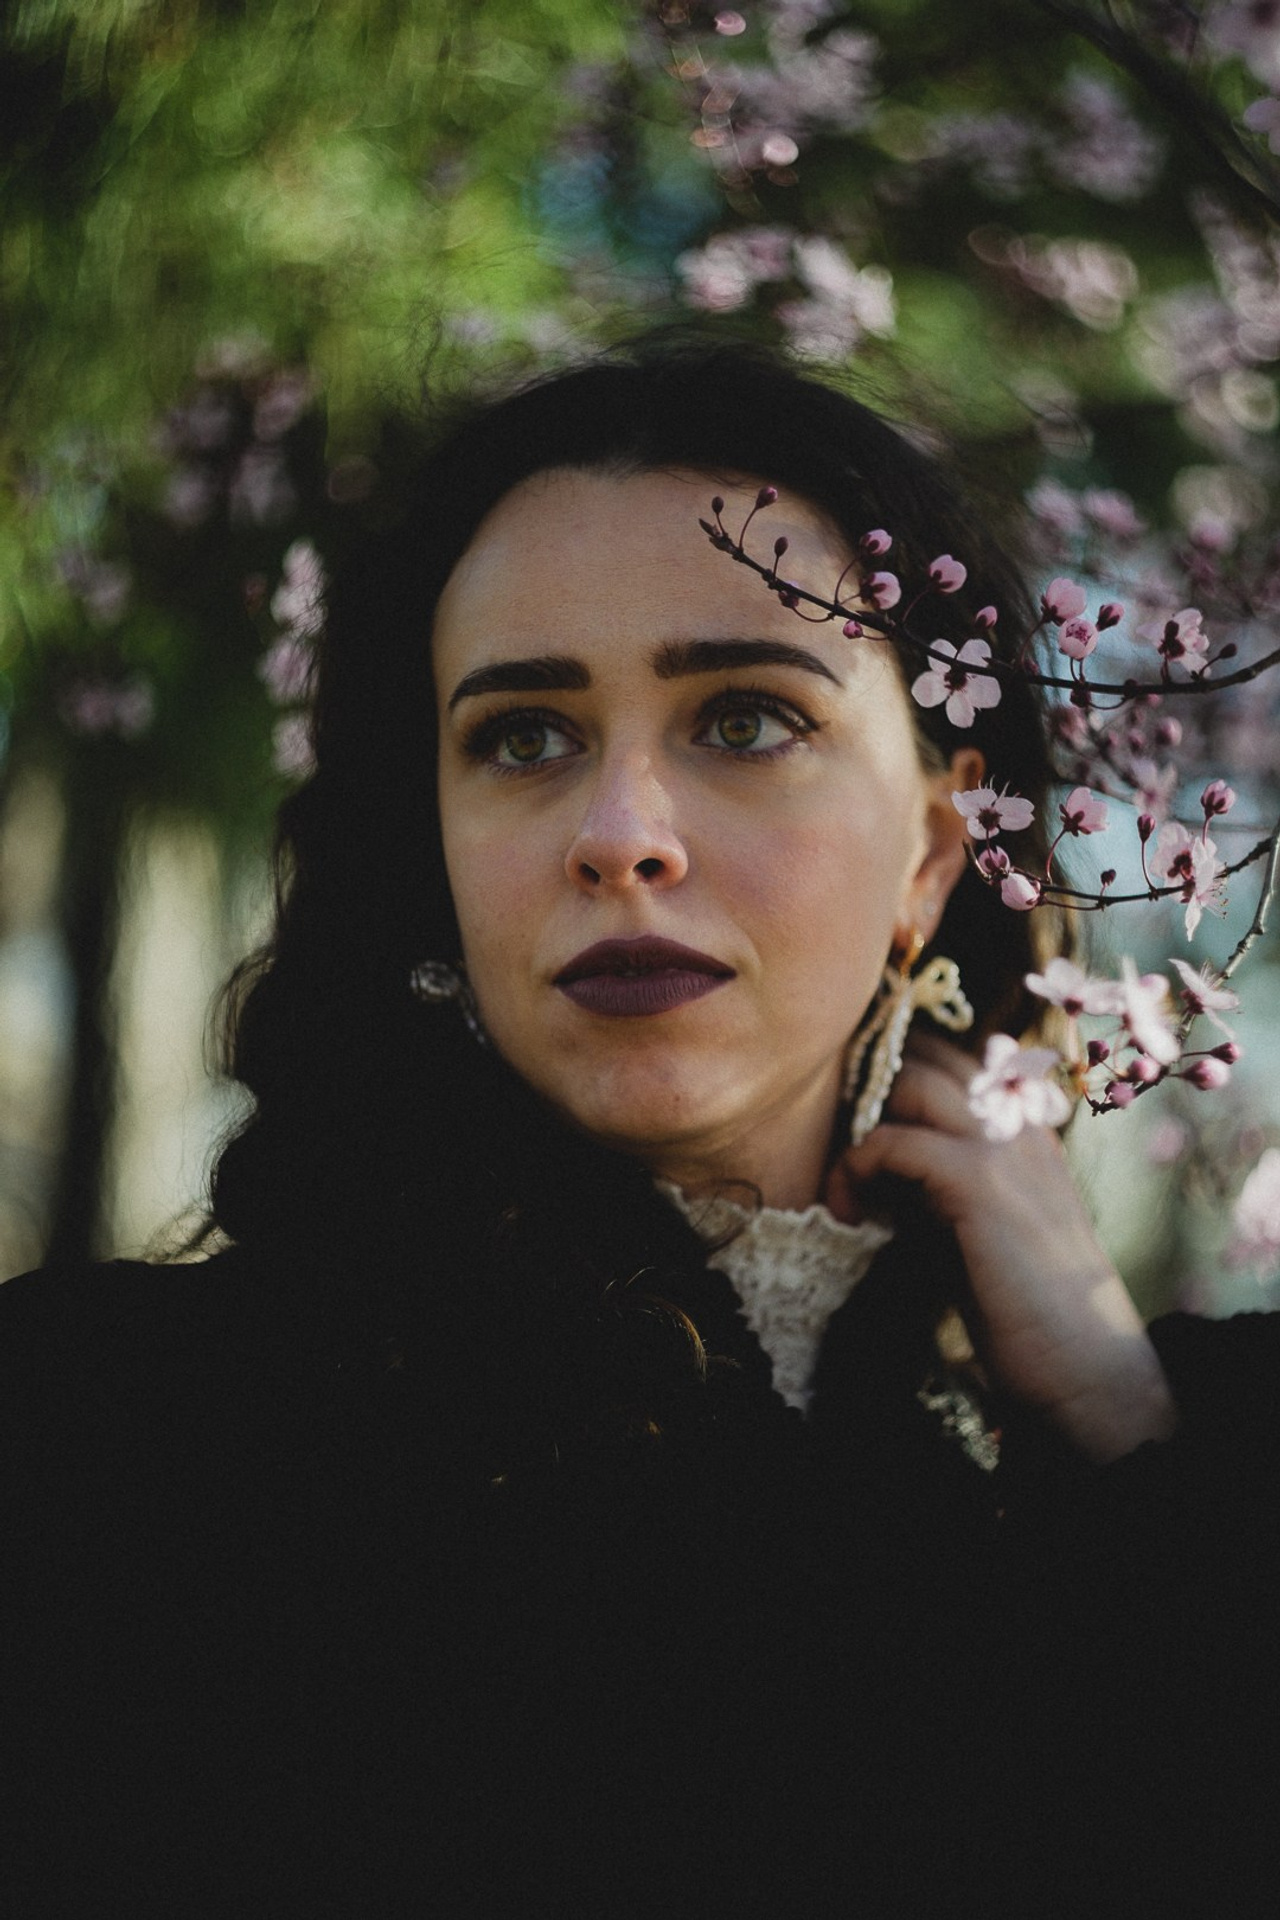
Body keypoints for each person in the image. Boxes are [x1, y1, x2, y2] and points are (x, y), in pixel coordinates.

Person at [3, 336, 1278, 1916]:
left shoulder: (1063, 1492)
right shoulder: (117, 1457)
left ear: (937, 853)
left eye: (744, 719)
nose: (620, 838)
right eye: (522, 737)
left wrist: (1123, 1416)